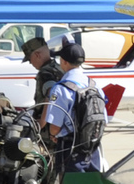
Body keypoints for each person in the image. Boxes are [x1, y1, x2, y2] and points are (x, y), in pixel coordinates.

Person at [44, 39, 103, 172]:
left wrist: (54, 134)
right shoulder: (94, 85)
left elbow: (54, 128)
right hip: (93, 149)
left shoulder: (60, 88)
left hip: (70, 150)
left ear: (64, 61)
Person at [22, 37, 62, 108]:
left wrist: (43, 118)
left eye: (29, 59)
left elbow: (52, 96)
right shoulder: (59, 68)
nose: (30, 63)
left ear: (37, 55)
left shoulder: (45, 73)